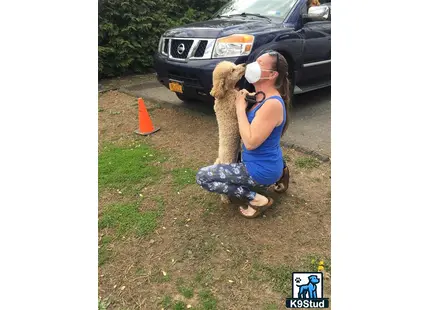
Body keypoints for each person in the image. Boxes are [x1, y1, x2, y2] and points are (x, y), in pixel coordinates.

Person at [196, 50, 291, 219]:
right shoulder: (260, 96)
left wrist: (240, 109)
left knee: (203, 177)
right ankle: (281, 171)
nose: (253, 65)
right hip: (264, 163)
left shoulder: (272, 104)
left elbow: (250, 143)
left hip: (259, 171)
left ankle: (257, 199)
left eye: (260, 64)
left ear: (272, 75)